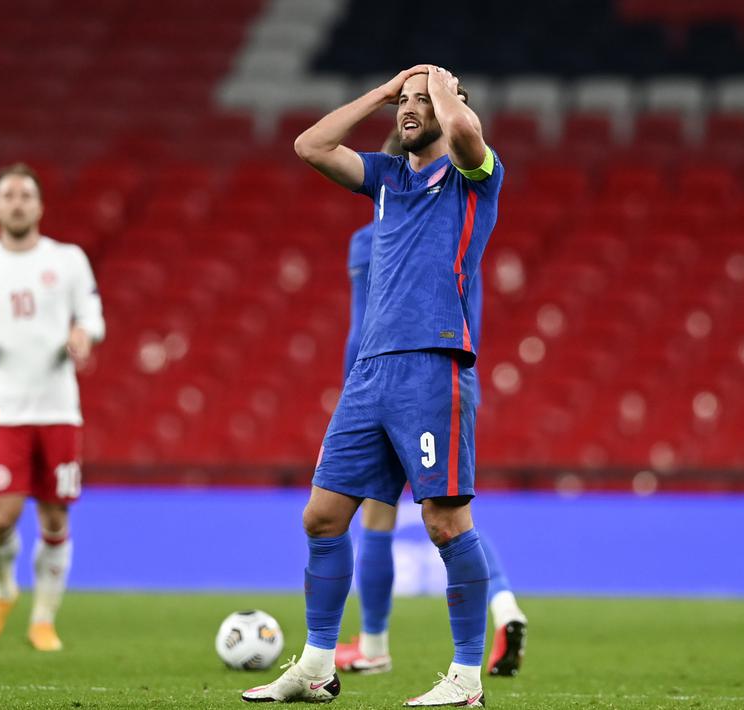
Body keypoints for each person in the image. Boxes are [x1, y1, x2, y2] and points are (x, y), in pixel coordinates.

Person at [242, 64, 502, 706]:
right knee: (323, 516)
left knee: (445, 523)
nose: (408, 110)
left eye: (422, 103)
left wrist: (440, 85)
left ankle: (467, 678)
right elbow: (310, 145)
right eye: (403, 103)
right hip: (371, 371)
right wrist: (383, 94)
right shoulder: (386, 179)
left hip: (431, 365)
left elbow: (466, 131)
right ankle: (317, 665)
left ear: (451, 107)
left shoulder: (475, 178)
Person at [333, 134, 527, 678]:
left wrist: (356, 393)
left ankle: (373, 644)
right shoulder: (456, 216)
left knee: (378, 510)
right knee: (452, 512)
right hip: (452, 375)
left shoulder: (368, 239)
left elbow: (359, 329)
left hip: (386, 382)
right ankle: (505, 605)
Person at [0, 163, 105, 652]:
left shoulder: (67, 259)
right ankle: (3, 591)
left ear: (40, 206)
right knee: (1, 517)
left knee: (54, 520)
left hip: (58, 409)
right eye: (8, 194)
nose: (18, 202)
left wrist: (82, 334)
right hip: (5, 409)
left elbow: (92, 316)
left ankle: (44, 619)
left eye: (27, 194)